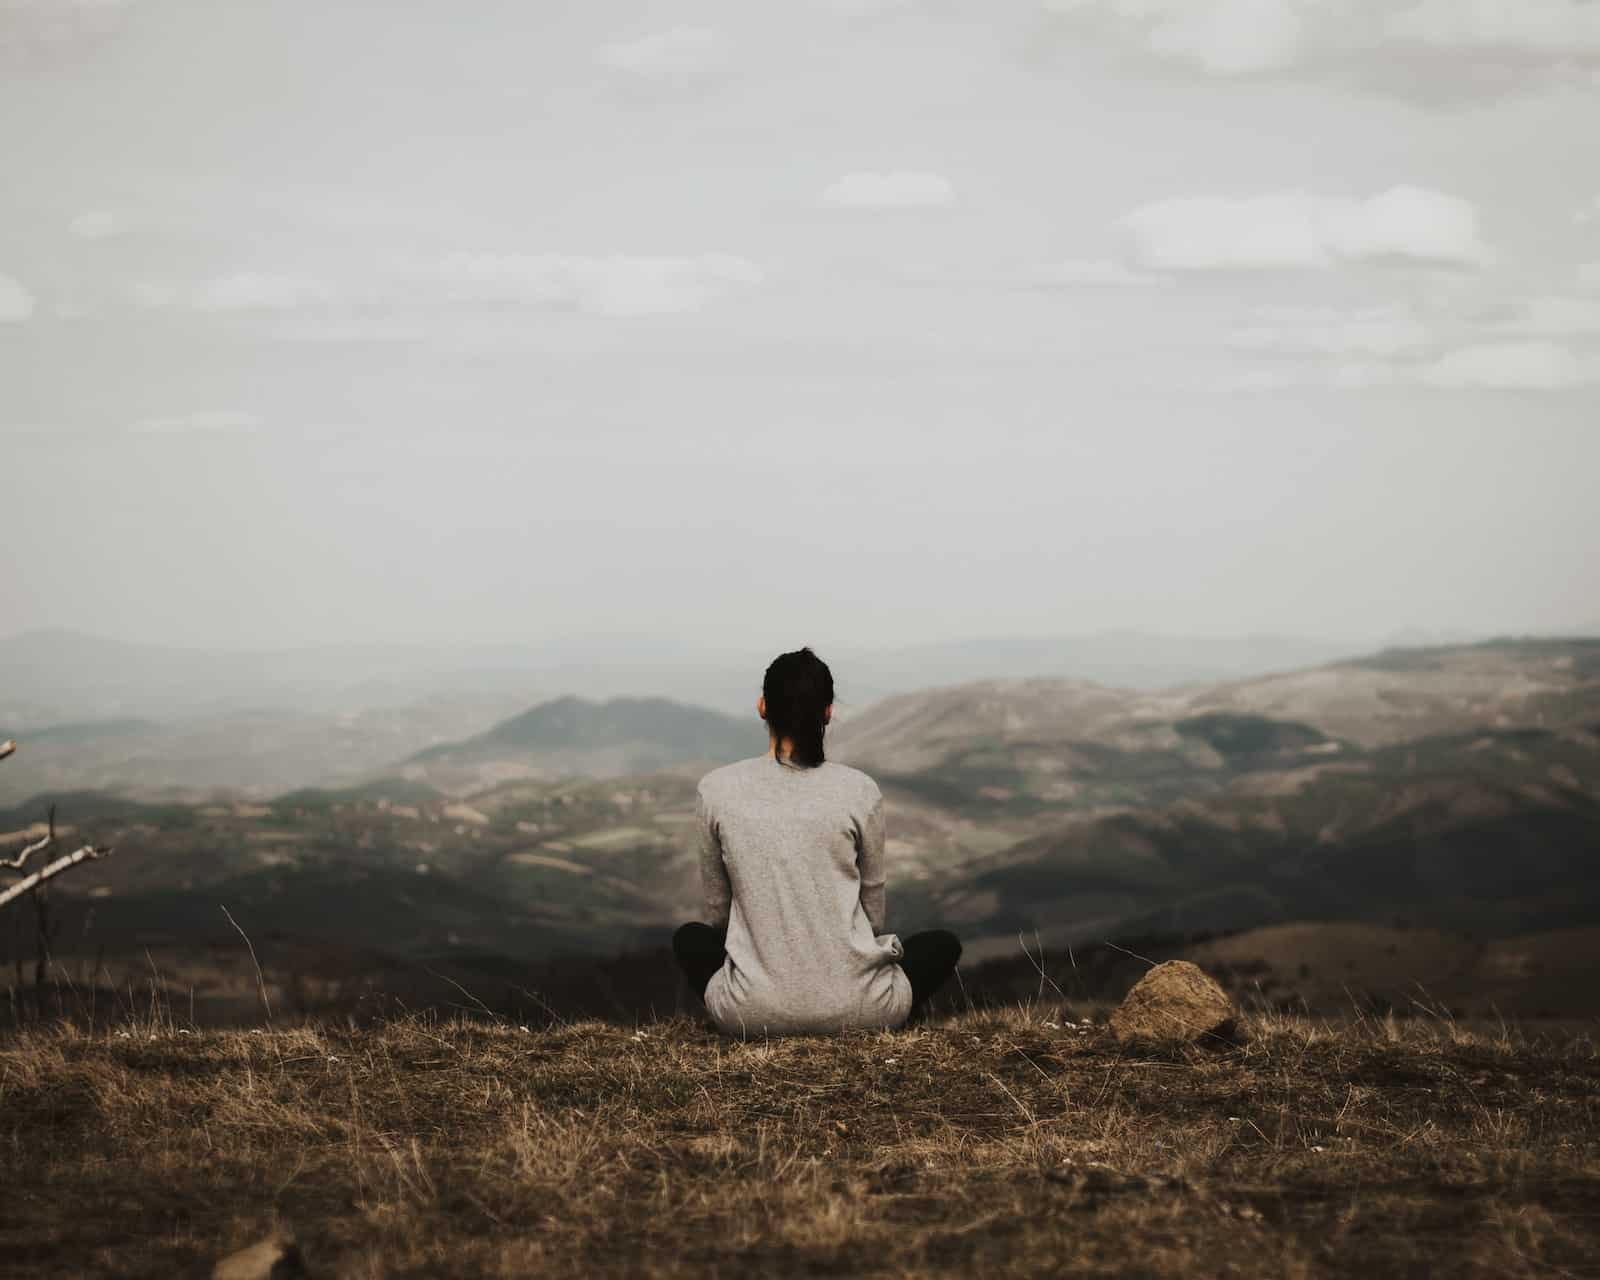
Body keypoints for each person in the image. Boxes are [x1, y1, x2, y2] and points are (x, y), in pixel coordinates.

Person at [673, 646, 961, 1037]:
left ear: (762, 707)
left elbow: (718, 914)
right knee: (941, 945)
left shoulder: (716, 790)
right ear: (827, 712)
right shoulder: (860, 790)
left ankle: (765, 1004)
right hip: (864, 1010)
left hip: (750, 1013)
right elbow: (873, 914)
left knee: (691, 939)